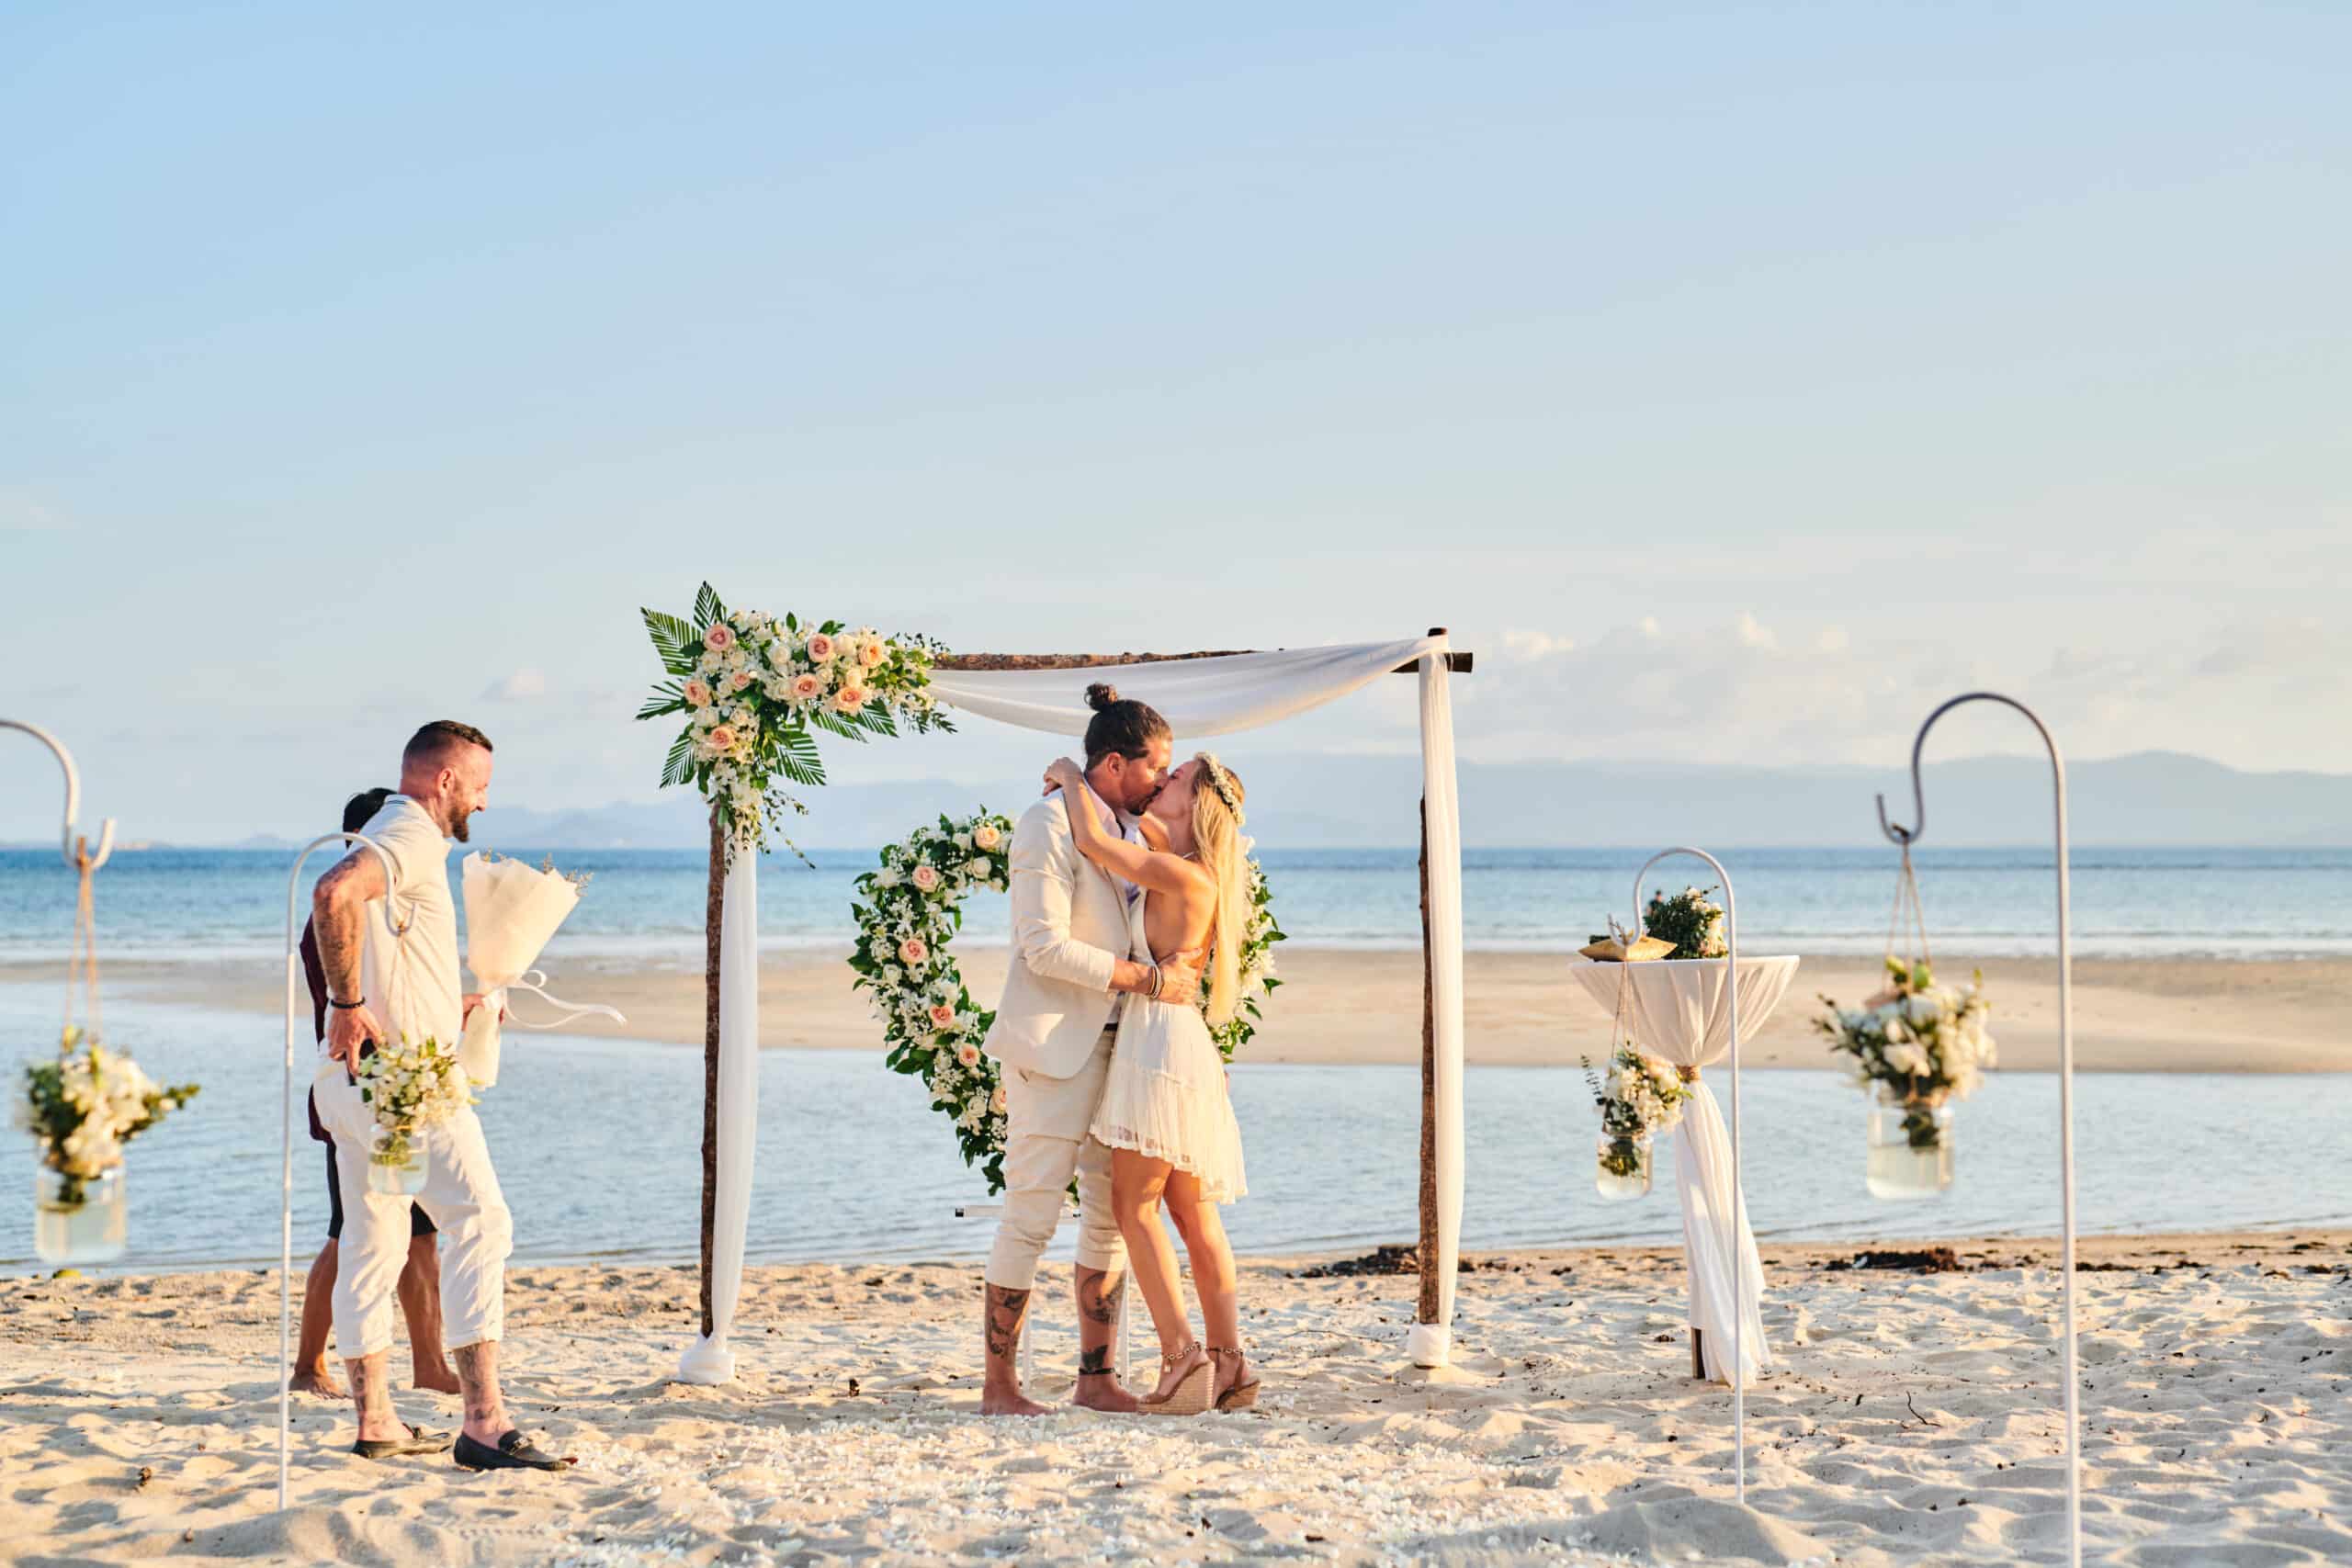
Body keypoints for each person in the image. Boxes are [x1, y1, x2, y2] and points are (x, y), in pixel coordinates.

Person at [309, 720, 571, 1471]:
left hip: (354, 1088)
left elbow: (375, 935)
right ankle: (485, 1421)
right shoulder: (414, 832)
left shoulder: (388, 836)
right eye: (480, 787)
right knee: (482, 1218)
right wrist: (348, 1002)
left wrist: (445, 1004)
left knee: (375, 1239)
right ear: (446, 781)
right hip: (409, 1089)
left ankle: (377, 1419)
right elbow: (333, 896)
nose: (484, 804)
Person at [977, 684, 1204, 1417]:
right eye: (1155, 769)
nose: (1163, 782)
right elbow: (1043, 947)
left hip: (1125, 1051)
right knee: (1032, 1214)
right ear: (1114, 763)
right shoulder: (1045, 823)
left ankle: (1096, 1377)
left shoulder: (1134, 836)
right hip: (1054, 1046)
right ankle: (999, 1385)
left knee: (1108, 1214)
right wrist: (1146, 977)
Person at [1045, 746, 1258, 1414]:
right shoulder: (1194, 875)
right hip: (1180, 1037)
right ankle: (1230, 1364)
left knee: (1136, 1207)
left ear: (1197, 805)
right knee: (1193, 1214)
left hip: (1159, 1040)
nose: (1162, 781)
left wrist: (1071, 775)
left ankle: (1181, 1356)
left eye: (1177, 779)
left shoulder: (1183, 875)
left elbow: (1090, 838)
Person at [289, 785, 459, 1401]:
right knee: (351, 1231)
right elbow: (358, 1002)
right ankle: (308, 1362)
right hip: (366, 1093)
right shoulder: (341, 918)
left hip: (396, 1090)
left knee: (418, 1233)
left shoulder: (381, 917)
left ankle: (430, 1362)